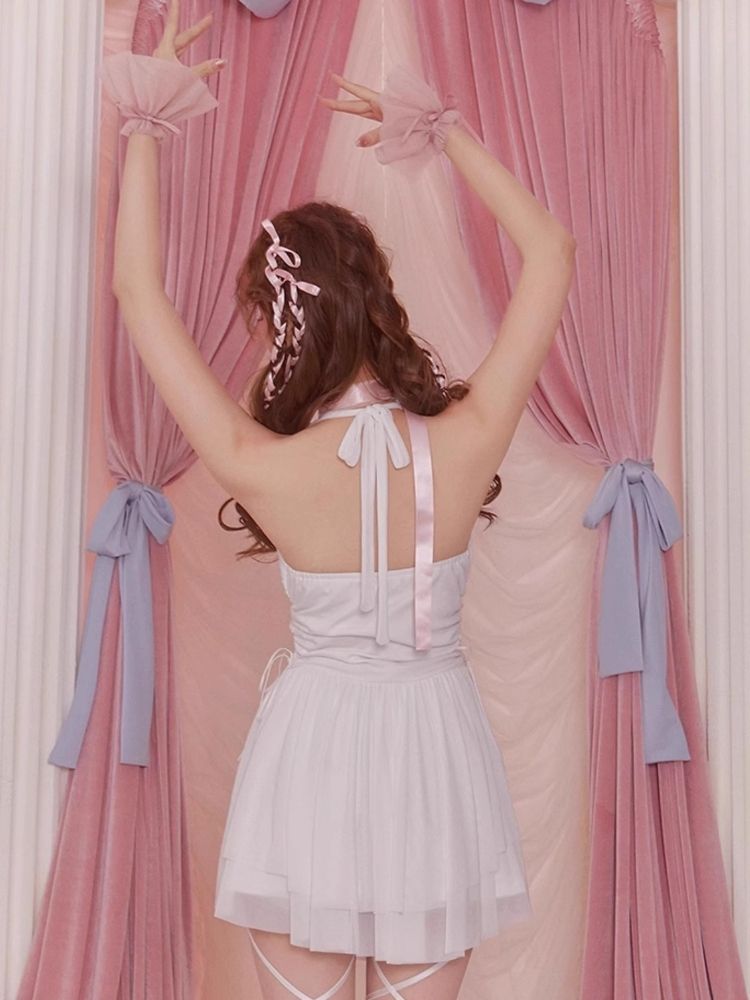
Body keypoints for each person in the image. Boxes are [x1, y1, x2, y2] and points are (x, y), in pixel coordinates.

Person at [105, 2, 575, 997]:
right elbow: (551, 252)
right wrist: (444, 132)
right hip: (434, 755)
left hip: (311, 758)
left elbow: (138, 293)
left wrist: (147, 125)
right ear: (378, 299)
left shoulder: (256, 460)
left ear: (276, 326)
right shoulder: (468, 436)